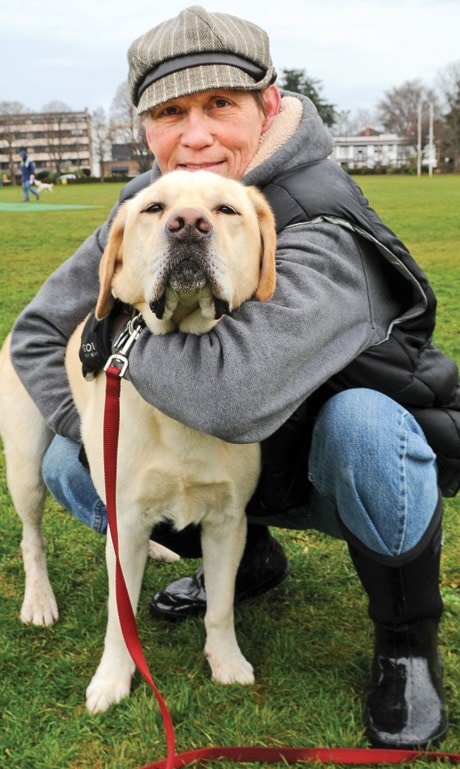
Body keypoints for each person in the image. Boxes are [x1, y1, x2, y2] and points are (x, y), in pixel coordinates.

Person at [9, 5, 460, 750]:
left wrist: (122, 316)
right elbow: (35, 331)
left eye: (220, 104)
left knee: (363, 424)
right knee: (69, 462)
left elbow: (232, 392)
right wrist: (93, 424)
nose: (195, 134)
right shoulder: (145, 206)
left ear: (269, 105)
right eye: (170, 111)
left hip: (336, 466)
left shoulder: (322, 219)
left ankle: (407, 643)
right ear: (145, 127)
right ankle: (247, 558)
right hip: (228, 464)